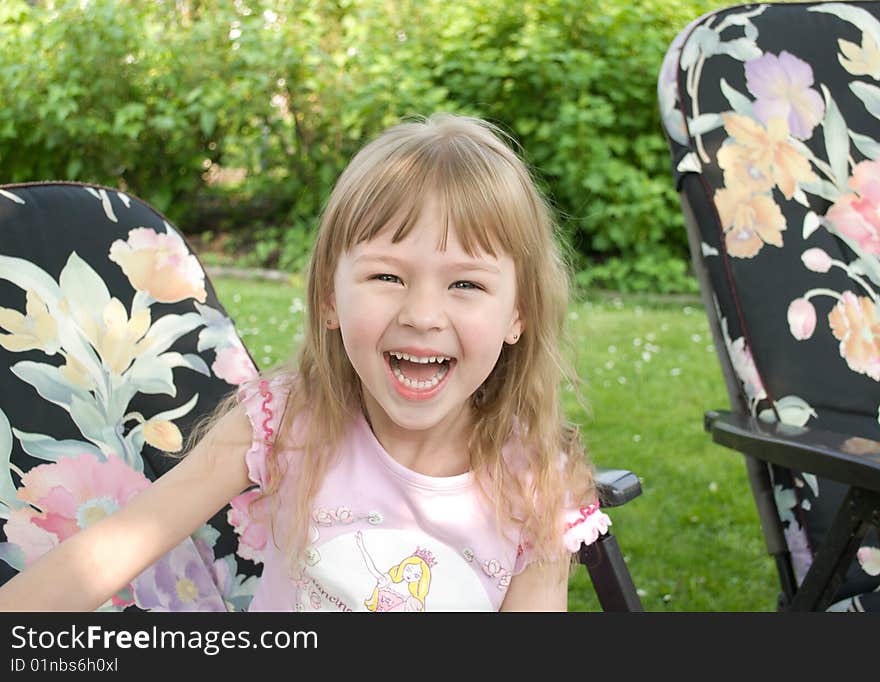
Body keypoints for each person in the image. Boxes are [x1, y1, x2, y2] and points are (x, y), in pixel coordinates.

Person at [0, 113, 611, 612]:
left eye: (466, 286)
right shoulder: (286, 422)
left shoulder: (539, 484)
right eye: (386, 276)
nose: (423, 314)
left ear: (518, 314)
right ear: (328, 298)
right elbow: (109, 552)